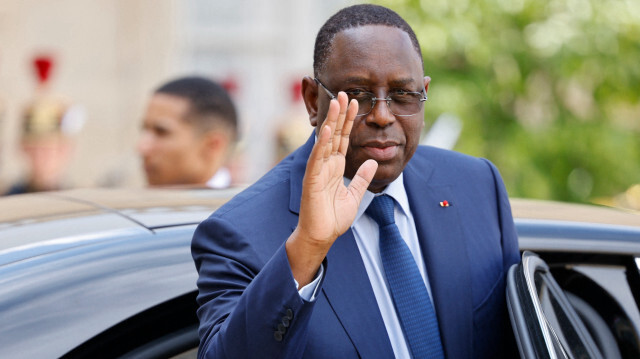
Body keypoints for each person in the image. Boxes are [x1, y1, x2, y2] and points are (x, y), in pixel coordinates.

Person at [192, 4, 520, 359]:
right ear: (313, 101)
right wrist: (307, 248)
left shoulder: (476, 186)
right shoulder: (238, 232)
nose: (382, 115)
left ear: (423, 92)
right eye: (358, 95)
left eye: (403, 94)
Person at [137, 76, 239, 188]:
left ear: (212, 145)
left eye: (161, 132)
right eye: (145, 130)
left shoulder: (241, 204)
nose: (142, 148)